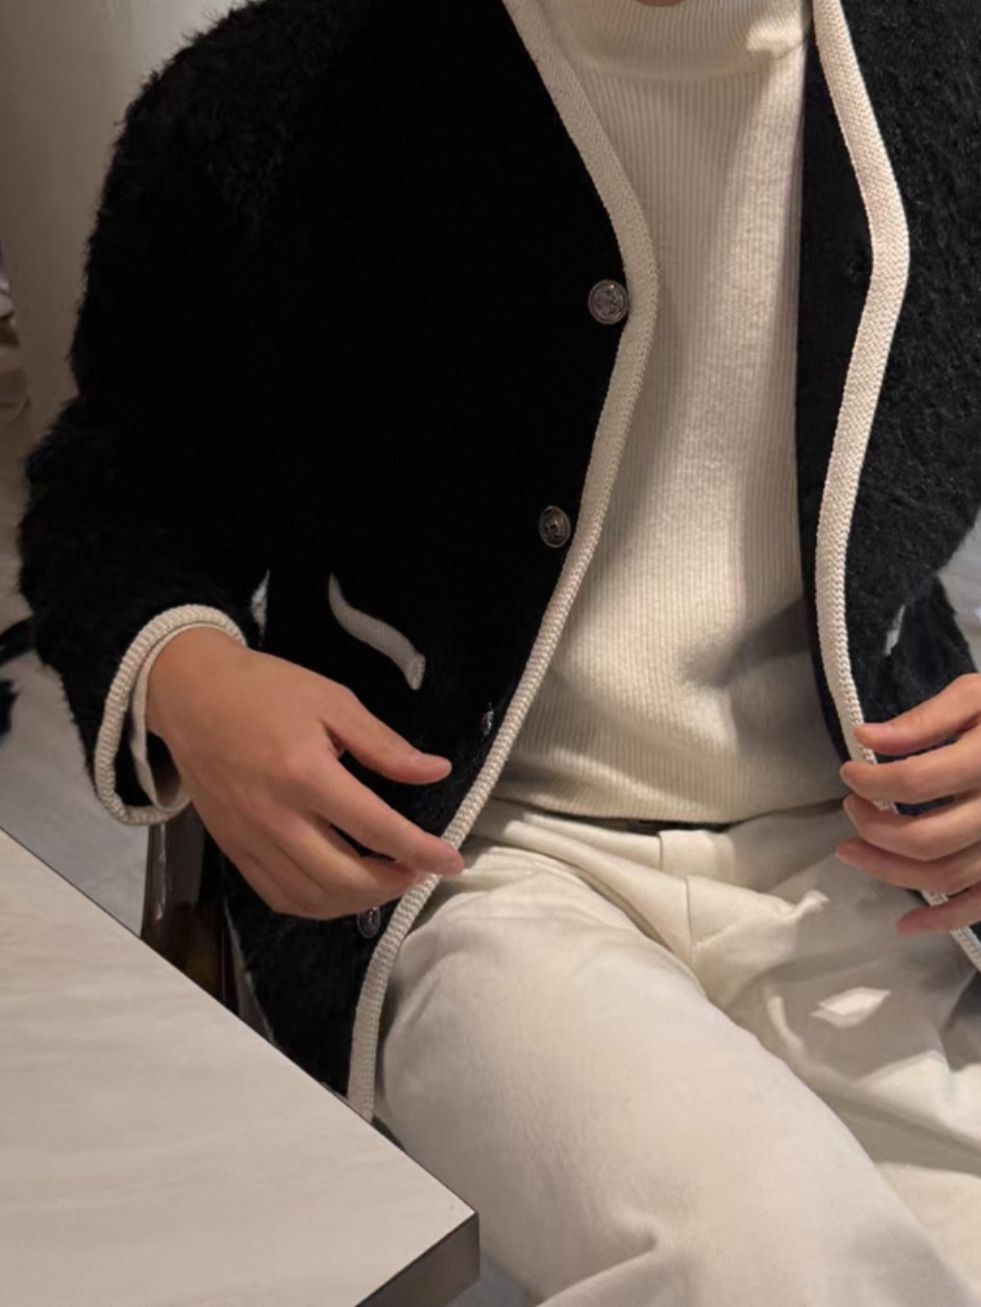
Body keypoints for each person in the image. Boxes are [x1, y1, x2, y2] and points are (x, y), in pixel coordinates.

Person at [15, 0, 981, 1301]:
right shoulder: (277, 95)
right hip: (466, 864)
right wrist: (191, 676)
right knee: (769, 1265)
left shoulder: (948, 67)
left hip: (875, 845)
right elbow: (118, 483)